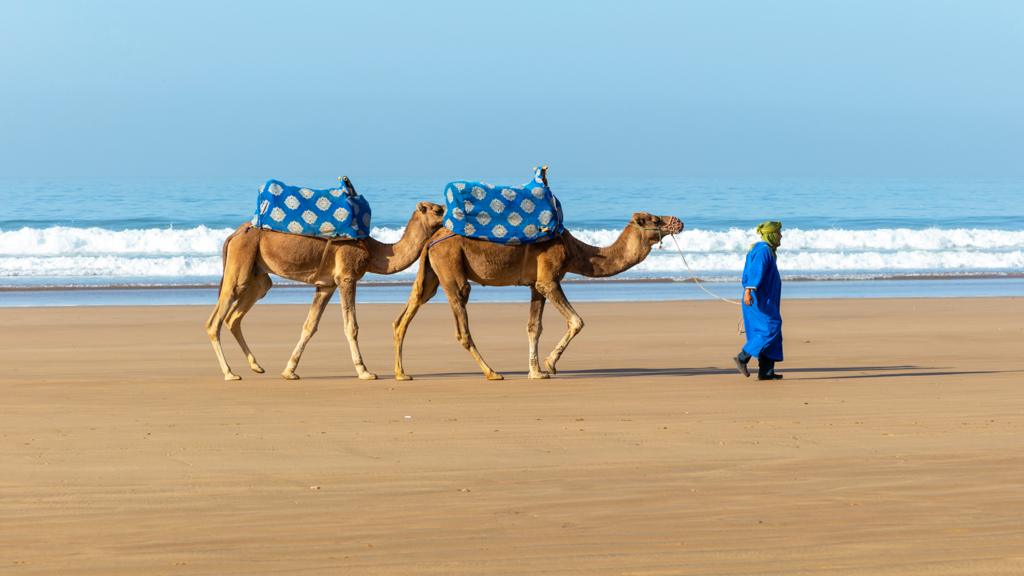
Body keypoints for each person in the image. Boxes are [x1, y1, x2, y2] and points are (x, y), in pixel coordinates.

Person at [733, 221, 784, 380]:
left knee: (767, 331)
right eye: (779, 233)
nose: (781, 236)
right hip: (757, 298)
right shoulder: (763, 251)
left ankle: (766, 372)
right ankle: (742, 357)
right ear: (771, 234)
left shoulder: (763, 249)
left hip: (765, 298)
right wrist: (748, 291)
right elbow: (754, 272)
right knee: (770, 328)